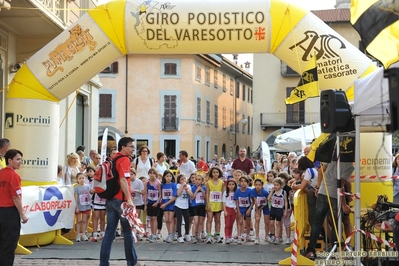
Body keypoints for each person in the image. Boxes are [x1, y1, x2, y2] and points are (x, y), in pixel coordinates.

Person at [100, 137, 142, 266]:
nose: (133, 149)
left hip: (111, 200)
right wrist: (129, 199)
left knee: (109, 234)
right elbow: (123, 180)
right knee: (128, 233)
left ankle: (104, 263)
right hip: (121, 202)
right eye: (131, 146)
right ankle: (132, 262)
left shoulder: (114, 158)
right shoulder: (124, 159)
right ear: (123, 147)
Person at [304, 161, 354, 260]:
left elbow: (321, 171)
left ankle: (310, 251)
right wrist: (344, 205)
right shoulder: (349, 166)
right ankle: (334, 252)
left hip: (323, 192)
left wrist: (319, 187)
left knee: (317, 222)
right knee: (337, 223)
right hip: (335, 196)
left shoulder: (331, 160)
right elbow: (341, 185)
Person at [0, 149, 28, 265]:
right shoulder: (13, 176)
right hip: (9, 213)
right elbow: (16, 197)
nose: (20, 162)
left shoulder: (1, 173)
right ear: (9, 160)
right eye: (18, 159)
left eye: (21, 159)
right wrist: (23, 214)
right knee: (9, 244)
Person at [205, 166, 225, 244]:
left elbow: (223, 193)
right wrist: (208, 204)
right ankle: (209, 235)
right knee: (209, 219)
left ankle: (217, 234)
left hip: (218, 203)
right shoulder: (208, 183)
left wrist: (223, 205)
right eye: (214, 172)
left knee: (218, 220)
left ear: (219, 173)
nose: (215, 174)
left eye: (217, 172)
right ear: (211, 173)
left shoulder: (222, 183)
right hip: (211, 203)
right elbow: (207, 194)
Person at [87, 165, 106, 242]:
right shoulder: (94, 179)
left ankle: (102, 233)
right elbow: (91, 190)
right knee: (95, 217)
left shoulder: (105, 179)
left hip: (104, 200)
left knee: (102, 217)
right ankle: (94, 234)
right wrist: (96, 190)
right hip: (96, 200)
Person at [267, 177, 288, 245]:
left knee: (278, 224)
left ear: (281, 185)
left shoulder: (283, 192)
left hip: (279, 209)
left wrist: (285, 211)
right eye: (274, 185)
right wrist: (272, 191)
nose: (275, 186)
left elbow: (286, 202)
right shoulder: (273, 191)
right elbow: (268, 198)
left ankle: (278, 237)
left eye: (277, 185)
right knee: (271, 223)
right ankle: (273, 235)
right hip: (273, 208)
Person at [234, 175, 253, 244]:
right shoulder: (237, 191)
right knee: (240, 222)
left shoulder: (250, 191)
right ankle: (239, 236)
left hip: (247, 208)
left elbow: (252, 201)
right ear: (239, 182)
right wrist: (238, 210)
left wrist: (250, 209)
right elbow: (236, 202)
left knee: (247, 223)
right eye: (241, 181)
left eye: (245, 181)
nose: (243, 183)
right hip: (240, 208)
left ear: (247, 183)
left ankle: (247, 236)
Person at [144, 167, 161, 243]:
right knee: (151, 218)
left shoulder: (158, 183)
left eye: (154, 173)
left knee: (155, 218)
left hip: (156, 202)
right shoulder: (146, 183)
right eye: (150, 173)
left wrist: (157, 202)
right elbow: (145, 194)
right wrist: (145, 204)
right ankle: (152, 233)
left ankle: (154, 234)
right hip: (149, 202)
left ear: (156, 174)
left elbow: (160, 194)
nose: (152, 175)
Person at [175, 173, 193, 243]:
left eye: (184, 179)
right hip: (178, 205)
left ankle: (187, 233)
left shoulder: (188, 186)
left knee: (187, 221)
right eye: (182, 179)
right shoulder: (178, 185)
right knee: (179, 221)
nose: (183, 180)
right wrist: (182, 186)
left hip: (186, 206)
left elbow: (191, 195)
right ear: (179, 180)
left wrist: (186, 188)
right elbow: (178, 194)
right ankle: (179, 236)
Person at [251, 178, 269, 245]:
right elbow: (255, 201)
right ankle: (257, 236)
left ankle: (267, 235)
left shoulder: (265, 192)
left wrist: (261, 208)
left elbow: (266, 201)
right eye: (256, 185)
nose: (257, 186)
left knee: (267, 221)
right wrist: (257, 211)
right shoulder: (253, 191)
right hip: (258, 205)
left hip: (265, 206)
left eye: (259, 185)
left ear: (262, 185)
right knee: (257, 219)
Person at [74, 172, 92, 242]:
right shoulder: (76, 188)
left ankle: (84, 233)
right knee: (78, 221)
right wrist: (76, 207)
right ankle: (78, 234)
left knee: (84, 220)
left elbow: (89, 196)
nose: (81, 180)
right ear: (77, 179)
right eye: (80, 178)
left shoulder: (88, 187)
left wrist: (89, 205)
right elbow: (75, 197)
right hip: (79, 206)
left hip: (86, 206)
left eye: (83, 178)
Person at [190, 173, 207, 243]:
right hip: (195, 206)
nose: (197, 181)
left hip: (202, 205)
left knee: (201, 221)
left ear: (202, 181)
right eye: (196, 179)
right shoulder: (193, 187)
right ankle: (193, 236)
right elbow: (192, 197)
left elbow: (206, 198)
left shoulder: (204, 187)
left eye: (199, 180)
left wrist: (202, 190)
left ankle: (198, 235)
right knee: (196, 221)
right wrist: (197, 190)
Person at [130, 168, 145, 241]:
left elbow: (143, 192)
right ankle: (131, 232)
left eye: (132, 174)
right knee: (131, 218)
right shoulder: (127, 181)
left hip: (138, 202)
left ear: (135, 174)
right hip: (130, 202)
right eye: (129, 174)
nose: (130, 176)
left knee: (137, 218)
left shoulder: (139, 182)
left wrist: (135, 191)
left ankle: (138, 233)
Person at [223, 179, 238, 244]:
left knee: (231, 224)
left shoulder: (236, 192)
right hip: (227, 208)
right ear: (227, 185)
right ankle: (227, 237)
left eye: (233, 184)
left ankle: (230, 236)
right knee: (227, 224)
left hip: (233, 209)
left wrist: (236, 208)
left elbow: (237, 201)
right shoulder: (225, 192)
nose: (231, 186)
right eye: (230, 184)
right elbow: (223, 202)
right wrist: (225, 211)